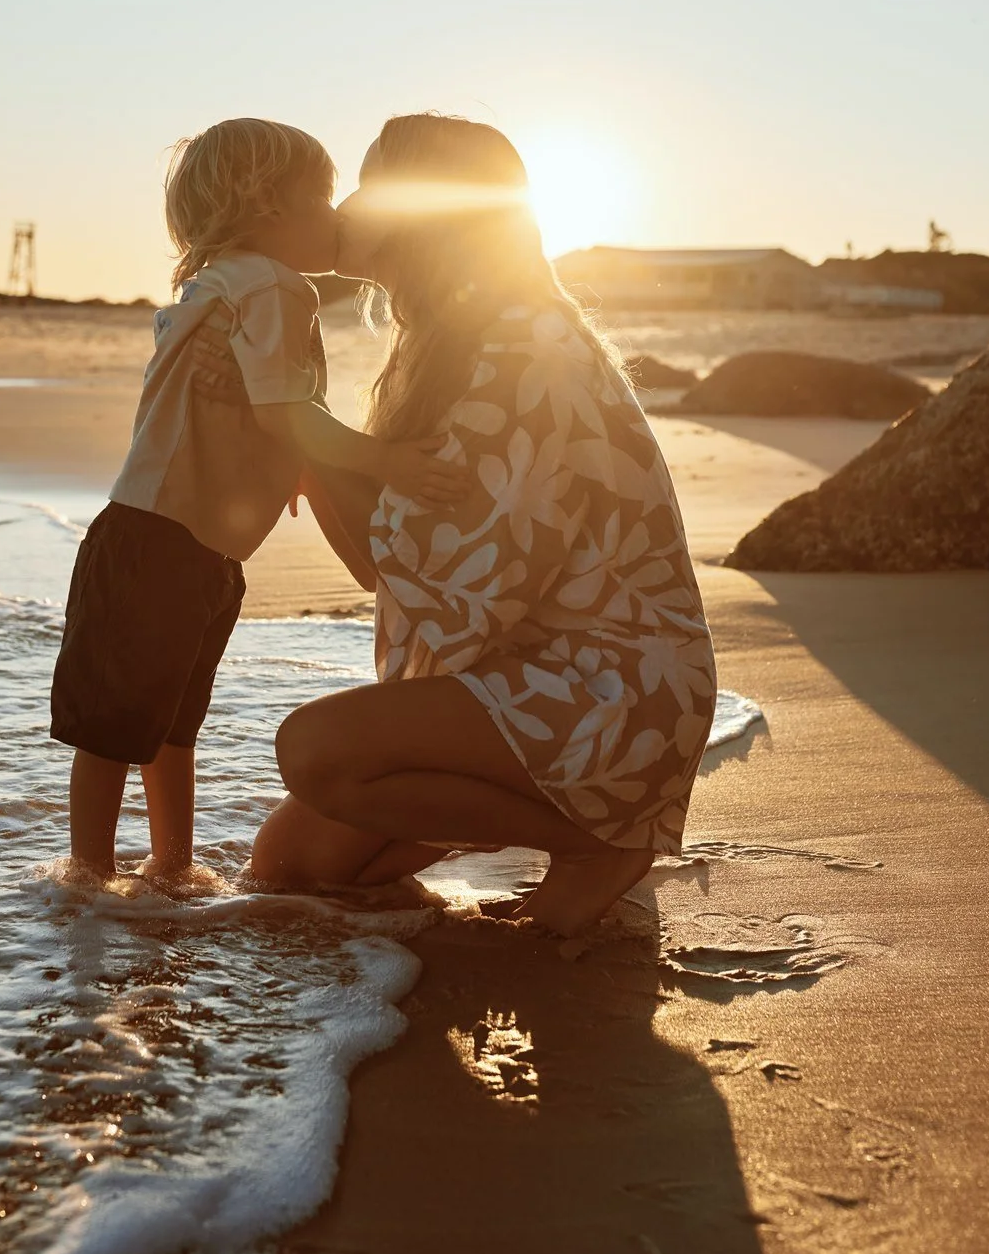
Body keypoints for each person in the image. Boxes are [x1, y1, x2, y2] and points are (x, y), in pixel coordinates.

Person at [251, 113, 718, 936]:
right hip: (528, 677)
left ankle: (594, 841)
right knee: (291, 870)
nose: (351, 206)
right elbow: (390, 560)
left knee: (315, 750)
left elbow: (441, 575)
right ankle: (569, 831)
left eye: (373, 186)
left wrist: (305, 432)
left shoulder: (522, 350)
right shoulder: (447, 342)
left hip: (614, 695)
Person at [50, 117, 466, 886]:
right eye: (323, 198)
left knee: (167, 721)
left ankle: (165, 868)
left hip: (181, 543)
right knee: (123, 729)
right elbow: (283, 409)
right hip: (163, 544)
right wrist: (387, 463)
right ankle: (92, 879)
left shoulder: (220, 286)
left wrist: (291, 468)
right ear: (268, 206)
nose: (339, 217)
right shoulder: (274, 286)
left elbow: (239, 410)